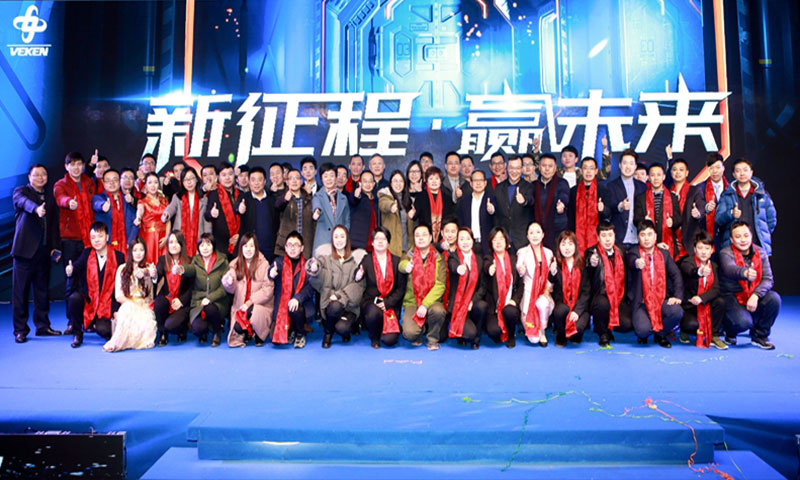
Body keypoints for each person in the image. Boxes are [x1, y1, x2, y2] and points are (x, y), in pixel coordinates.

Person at [12, 164, 61, 343]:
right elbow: (23, 203)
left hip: (43, 252)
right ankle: (20, 330)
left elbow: (53, 225)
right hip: (24, 252)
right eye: (37, 175)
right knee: (20, 293)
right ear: (29, 177)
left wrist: (55, 247)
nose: (41, 178)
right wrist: (36, 209)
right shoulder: (21, 192)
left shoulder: (49, 196)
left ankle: (43, 326)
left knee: (42, 292)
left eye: (44, 174)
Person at [719, 221, 780, 349]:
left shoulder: (761, 252)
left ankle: (759, 335)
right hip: (732, 297)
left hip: (752, 295)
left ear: (751, 236)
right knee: (743, 323)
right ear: (731, 240)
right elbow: (729, 269)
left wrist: (756, 295)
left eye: (746, 235)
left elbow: (768, 279)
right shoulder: (725, 253)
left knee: (774, 299)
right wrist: (745, 273)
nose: (743, 240)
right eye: (738, 236)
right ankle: (729, 330)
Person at [65, 222, 126, 348]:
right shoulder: (86, 254)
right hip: (89, 302)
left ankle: (96, 325)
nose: (96, 240)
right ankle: (77, 333)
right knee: (74, 298)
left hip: (107, 305)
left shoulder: (119, 257)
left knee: (105, 331)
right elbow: (75, 268)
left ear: (107, 237)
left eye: (100, 236)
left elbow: (121, 286)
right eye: (93, 237)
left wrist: (116, 310)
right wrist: (70, 270)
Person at [54, 151, 96, 333]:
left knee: (89, 280)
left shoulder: (89, 182)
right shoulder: (60, 184)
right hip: (70, 240)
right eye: (72, 164)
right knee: (71, 280)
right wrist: (68, 202)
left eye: (79, 164)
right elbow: (60, 198)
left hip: (90, 240)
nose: (76, 167)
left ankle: (89, 318)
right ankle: (72, 321)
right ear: (66, 166)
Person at [626, 220, 684, 347]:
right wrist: (636, 263)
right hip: (641, 302)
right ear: (638, 238)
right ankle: (647, 329)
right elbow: (631, 261)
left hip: (660, 300)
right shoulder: (634, 252)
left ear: (655, 236)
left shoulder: (664, 254)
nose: (646, 238)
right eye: (643, 235)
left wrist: (677, 296)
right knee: (643, 331)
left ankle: (660, 334)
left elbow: (676, 275)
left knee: (677, 311)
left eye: (649, 234)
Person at [307, 226, 364, 348]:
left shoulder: (355, 262)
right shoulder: (325, 259)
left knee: (342, 328)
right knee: (335, 305)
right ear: (332, 239)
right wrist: (314, 268)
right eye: (336, 237)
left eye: (342, 236)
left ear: (347, 239)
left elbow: (358, 287)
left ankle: (344, 326)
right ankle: (328, 333)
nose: (339, 240)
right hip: (330, 305)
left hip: (349, 307)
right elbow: (316, 274)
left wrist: (339, 296)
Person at [104, 238, 158, 352]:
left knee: (147, 333)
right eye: (135, 250)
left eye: (141, 250)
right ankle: (117, 343)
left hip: (143, 306)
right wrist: (134, 305)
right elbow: (118, 296)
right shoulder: (122, 269)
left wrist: (152, 275)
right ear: (130, 252)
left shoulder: (148, 269)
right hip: (127, 304)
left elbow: (150, 296)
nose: (138, 253)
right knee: (128, 309)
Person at [221, 233, 275, 347]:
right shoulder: (234, 264)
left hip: (259, 305)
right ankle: (248, 332)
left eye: (251, 246)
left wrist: (250, 302)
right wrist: (228, 282)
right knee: (237, 328)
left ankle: (258, 334)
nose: (248, 249)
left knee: (253, 313)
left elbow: (268, 290)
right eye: (245, 246)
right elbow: (230, 289)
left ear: (256, 248)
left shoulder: (264, 264)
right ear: (241, 248)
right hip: (240, 306)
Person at [399, 224, 447, 350]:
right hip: (412, 301)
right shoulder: (409, 254)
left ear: (430, 237)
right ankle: (420, 331)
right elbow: (401, 264)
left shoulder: (438, 257)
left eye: (424, 235)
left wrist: (425, 304)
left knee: (438, 311)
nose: (421, 238)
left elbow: (440, 285)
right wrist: (406, 266)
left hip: (432, 301)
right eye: (417, 235)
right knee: (409, 334)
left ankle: (432, 339)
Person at [584, 221, 633, 347]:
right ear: (598, 237)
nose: (607, 239)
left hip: (618, 297)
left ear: (615, 236)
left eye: (610, 235)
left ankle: (608, 324)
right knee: (602, 305)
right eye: (604, 236)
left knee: (627, 324)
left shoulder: (621, 250)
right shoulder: (591, 252)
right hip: (600, 296)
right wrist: (592, 263)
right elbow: (588, 264)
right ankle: (603, 332)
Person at [715, 158, 777, 257]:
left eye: (745, 170)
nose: (742, 173)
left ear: (751, 172)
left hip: (758, 245)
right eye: (738, 171)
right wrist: (731, 214)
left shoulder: (762, 195)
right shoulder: (727, 195)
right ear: (734, 175)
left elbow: (771, 220)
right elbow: (718, 219)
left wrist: (761, 233)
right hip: (733, 247)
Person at [357, 228, 407, 348]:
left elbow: (401, 288)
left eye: (383, 239)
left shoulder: (397, 261)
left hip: (390, 303)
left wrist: (387, 303)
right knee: (373, 313)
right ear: (372, 242)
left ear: (388, 243)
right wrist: (358, 275)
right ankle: (374, 337)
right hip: (372, 301)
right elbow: (358, 272)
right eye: (377, 239)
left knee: (390, 341)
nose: (380, 241)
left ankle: (385, 329)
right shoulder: (367, 259)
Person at [679, 231, 726, 349]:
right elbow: (690, 271)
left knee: (720, 302)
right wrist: (699, 272)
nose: (704, 252)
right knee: (692, 325)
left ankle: (714, 335)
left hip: (704, 303)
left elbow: (716, 289)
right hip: (689, 306)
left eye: (707, 248)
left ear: (712, 250)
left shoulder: (714, 266)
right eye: (700, 248)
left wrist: (701, 298)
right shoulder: (687, 262)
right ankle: (683, 329)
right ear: (694, 249)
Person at [268, 231, 315, 348]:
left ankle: (300, 334)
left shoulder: (308, 265)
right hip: (282, 307)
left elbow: (310, 288)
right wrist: (271, 273)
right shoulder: (279, 262)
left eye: (296, 245)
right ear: (285, 247)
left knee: (295, 309)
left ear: (302, 248)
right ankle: (292, 329)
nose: (292, 248)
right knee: (273, 338)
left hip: (302, 305)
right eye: (289, 245)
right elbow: (270, 271)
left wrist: (298, 298)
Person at [446, 227, 487, 348]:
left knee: (482, 306)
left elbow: (482, 287)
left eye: (468, 239)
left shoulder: (478, 260)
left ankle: (477, 339)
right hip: (458, 306)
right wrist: (459, 269)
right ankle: (463, 334)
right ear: (457, 242)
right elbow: (453, 266)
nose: (465, 242)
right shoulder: (454, 257)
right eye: (461, 239)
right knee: (469, 334)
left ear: (472, 241)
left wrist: (472, 301)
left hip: (471, 305)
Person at [153, 231, 196, 346]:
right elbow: (157, 275)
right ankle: (162, 333)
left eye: (177, 242)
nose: (174, 245)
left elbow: (193, 287)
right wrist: (154, 275)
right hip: (168, 298)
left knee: (172, 326)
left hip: (182, 302)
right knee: (159, 302)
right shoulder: (162, 260)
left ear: (182, 245)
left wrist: (181, 301)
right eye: (171, 242)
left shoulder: (190, 261)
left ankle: (182, 329)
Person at [482, 227, 523, 348]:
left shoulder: (514, 260)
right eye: (494, 240)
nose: (498, 242)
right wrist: (490, 268)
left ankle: (511, 335)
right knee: (494, 332)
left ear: (507, 241)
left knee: (509, 311)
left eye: (501, 239)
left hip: (510, 304)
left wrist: (514, 300)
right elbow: (486, 266)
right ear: (491, 243)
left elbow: (521, 285)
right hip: (495, 307)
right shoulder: (489, 259)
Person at [549, 231, 591, 347]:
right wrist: (552, 273)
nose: (567, 248)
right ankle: (560, 333)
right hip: (562, 306)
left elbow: (586, 292)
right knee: (560, 310)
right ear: (559, 247)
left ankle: (573, 329)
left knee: (576, 335)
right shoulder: (555, 264)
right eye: (563, 244)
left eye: (570, 244)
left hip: (579, 307)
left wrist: (577, 311)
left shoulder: (583, 264)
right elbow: (550, 283)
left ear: (575, 246)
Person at [188, 233, 230, 347]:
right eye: (202, 245)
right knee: (197, 329)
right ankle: (205, 330)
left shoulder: (222, 261)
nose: (205, 248)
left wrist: (210, 298)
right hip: (199, 302)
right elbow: (189, 269)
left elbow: (225, 288)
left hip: (218, 302)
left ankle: (216, 331)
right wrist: (181, 269)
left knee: (210, 309)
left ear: (213, 246)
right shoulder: (195, 261)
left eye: (208, 244)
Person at [516, 222, 554, 346]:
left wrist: (548, 289)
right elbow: (519, 268)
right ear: (527, 236)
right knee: (533, 340)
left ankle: (542, 331)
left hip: (544, 293)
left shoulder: (549, 253)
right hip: (529, 294)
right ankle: (532, 327)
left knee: (543, 302)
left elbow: (552, 277)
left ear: (543, 235)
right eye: (531, 233)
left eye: (538, 232)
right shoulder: (522, 252)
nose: (535, 235)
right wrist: (521, 269)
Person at [633, 163, 682, 258]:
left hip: (668, 244)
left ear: (664, 177)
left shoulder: (672, 197)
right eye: (652, 175)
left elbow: (679, 219)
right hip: (647, 243)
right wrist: (644, 220)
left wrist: (672, 221)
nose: (656, 178)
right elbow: (636, 220)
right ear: (648, 177)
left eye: (659, 175)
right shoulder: (641, 198)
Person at [568, 157, 611, 252]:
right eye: (585, 168)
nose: (588, 172)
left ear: (596, 171)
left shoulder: (603, 190)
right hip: (577, 237)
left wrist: (603, 209)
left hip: (598, 237)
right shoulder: (573, 191)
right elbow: (570, 216)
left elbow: (609, 213)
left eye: (591, 168)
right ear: (580, 171)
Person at [606, 149, 647, 249]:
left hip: (638, 238)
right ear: (620, 165)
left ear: (635, 166)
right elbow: (608, 209)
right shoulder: (611, 186)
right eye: (625, 163)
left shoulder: (642, 187)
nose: (628, 167)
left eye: (631, 163)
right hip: (619, 238)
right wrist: (620, 206)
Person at [164, 167, 209, 258]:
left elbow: (206, 221)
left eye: (191, 178)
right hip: (180, 238)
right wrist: (166, 214)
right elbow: (171, 208)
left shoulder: (204, 199)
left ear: (196, 179)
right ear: (182, 182)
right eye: (185, 180)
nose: (189, 182)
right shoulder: (177, 197)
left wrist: (208, 238)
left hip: (198, 238)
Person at [92, 169, 140, 255]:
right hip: (106, 246)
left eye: (115, 180)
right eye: (108, 180)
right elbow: (97, 204)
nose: (112, 183)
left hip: (126, 246)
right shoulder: (98, 198)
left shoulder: (127, 199)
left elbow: (135, 223)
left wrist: (129, 242)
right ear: (103, 183)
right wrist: (102, 206)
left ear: (119, 182)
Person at [236, 166, 278, 262]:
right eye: (253, 180)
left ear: (265, 181)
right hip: (250, 249)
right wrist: (239, 208)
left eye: (259, 180)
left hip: (270, 249)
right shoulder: (244, 197)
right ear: (249, 182)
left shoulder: (272, 198)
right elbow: (236, 207)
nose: (256, 183)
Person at [493, 156, 533, 251]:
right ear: (506, 168)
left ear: (522, 169)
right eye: (511, 168)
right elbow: (496, 213)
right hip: (503, 240)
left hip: (522, 240)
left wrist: (524, 201)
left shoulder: (529, 187)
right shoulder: (498, 188)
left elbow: (531, 201)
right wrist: (491, 209)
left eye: (517, 168)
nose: (514, 171)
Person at [275, 169, 315, 259]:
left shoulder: (309, 199)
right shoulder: (282, 198)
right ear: (287, 182)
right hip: (286, 246)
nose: (294, 181)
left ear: (301, 181)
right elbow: (277, 207)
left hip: (306, 246)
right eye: (291, 178)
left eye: (297, 178)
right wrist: (285, 200)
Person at [311, 162, 350, 254]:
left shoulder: (343, 198)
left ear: (336, 178)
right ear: (321, 179)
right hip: (323, 242)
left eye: (332, 176)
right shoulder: (318, 196)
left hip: (340, 243)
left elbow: (347, 219)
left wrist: (343, 234)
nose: (329, 179)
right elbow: (316, 205)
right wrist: (316, 211)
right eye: (325, 176)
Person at [533, 154, 570, 249]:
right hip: (537, 232)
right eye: (544, 166)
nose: (547, 169)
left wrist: (562, 203)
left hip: (557, 231)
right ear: (539, 167)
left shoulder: (562, 183)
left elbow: (564, 195)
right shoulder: (533, 185)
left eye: (550, 166)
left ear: (555, 168)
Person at [669, 159, 705, 258]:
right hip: (672, 241)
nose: (677, 172)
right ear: (671, 172)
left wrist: (698, 213)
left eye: (681, 170)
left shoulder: (694, 190)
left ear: (687, 173)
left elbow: (701, 207)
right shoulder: (667, 192)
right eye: (675, 170)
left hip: (690, 239)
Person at [204, 164, 241, 258]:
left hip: (239, 243)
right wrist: (211, 213)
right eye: (224, 175)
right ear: (218, 177)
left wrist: (239, 235)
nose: (227, 178)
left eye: (230, 174)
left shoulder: (240, 194)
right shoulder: (213, 194)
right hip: (221, 245)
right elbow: (206, 215)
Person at [456, 169, 495, 254]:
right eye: (475, 180)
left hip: (487, 245)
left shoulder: (492, 199)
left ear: (485, 183)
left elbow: (496, 219)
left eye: (480, 180)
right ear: (471, 183)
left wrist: (492, 210)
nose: (478, 183)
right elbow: (461, 222)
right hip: (469, 245)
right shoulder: (464, 201)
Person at [412, 167, 455, 242]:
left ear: (440, 181)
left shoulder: (447, 198)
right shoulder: (420, 197)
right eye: (431, 179)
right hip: (425, 237)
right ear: (426, 181)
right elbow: (416, 218)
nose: (434, 181)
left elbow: (450, 219)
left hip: (443, 239)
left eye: (437, 178)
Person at [377, 170, 414, 256]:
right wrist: (391, 206)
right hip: (391, 248)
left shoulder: (409, 200)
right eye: (395, 181)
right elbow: (383, 204)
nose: (398, 184)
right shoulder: (385, 196)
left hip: (407, 248)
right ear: (390, 183)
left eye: (401, 181)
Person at [136, 173, 170, 265]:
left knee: (165, 264)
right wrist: (138, 217)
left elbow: (168, 219)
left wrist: (167, 236)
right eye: (150, 182)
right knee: (150, 263)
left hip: (164, 236)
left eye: (155, 182)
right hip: (150, 237)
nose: (153, 185)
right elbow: (140, 210)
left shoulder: (164, 200)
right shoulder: (143, 201)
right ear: (146, 185)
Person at [697, 153, 728, 243]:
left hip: (727, 235)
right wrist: (706, 208)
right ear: (707, 169)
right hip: (707, 236)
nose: (715, 171)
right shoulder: (700, 188)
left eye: (718, 167)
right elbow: (698, 207)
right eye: (711, 168)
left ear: (723, 168)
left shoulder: (731, 188)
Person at [346, 170, 380, 251]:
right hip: (357, 245)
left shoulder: (376, 200)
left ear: (374, 184)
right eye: (365, 181)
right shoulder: (357, 196)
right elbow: (353, 200)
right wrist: (356, 196)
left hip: (373, 245)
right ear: (360, 183)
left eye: (370, 181)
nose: (368, 184)